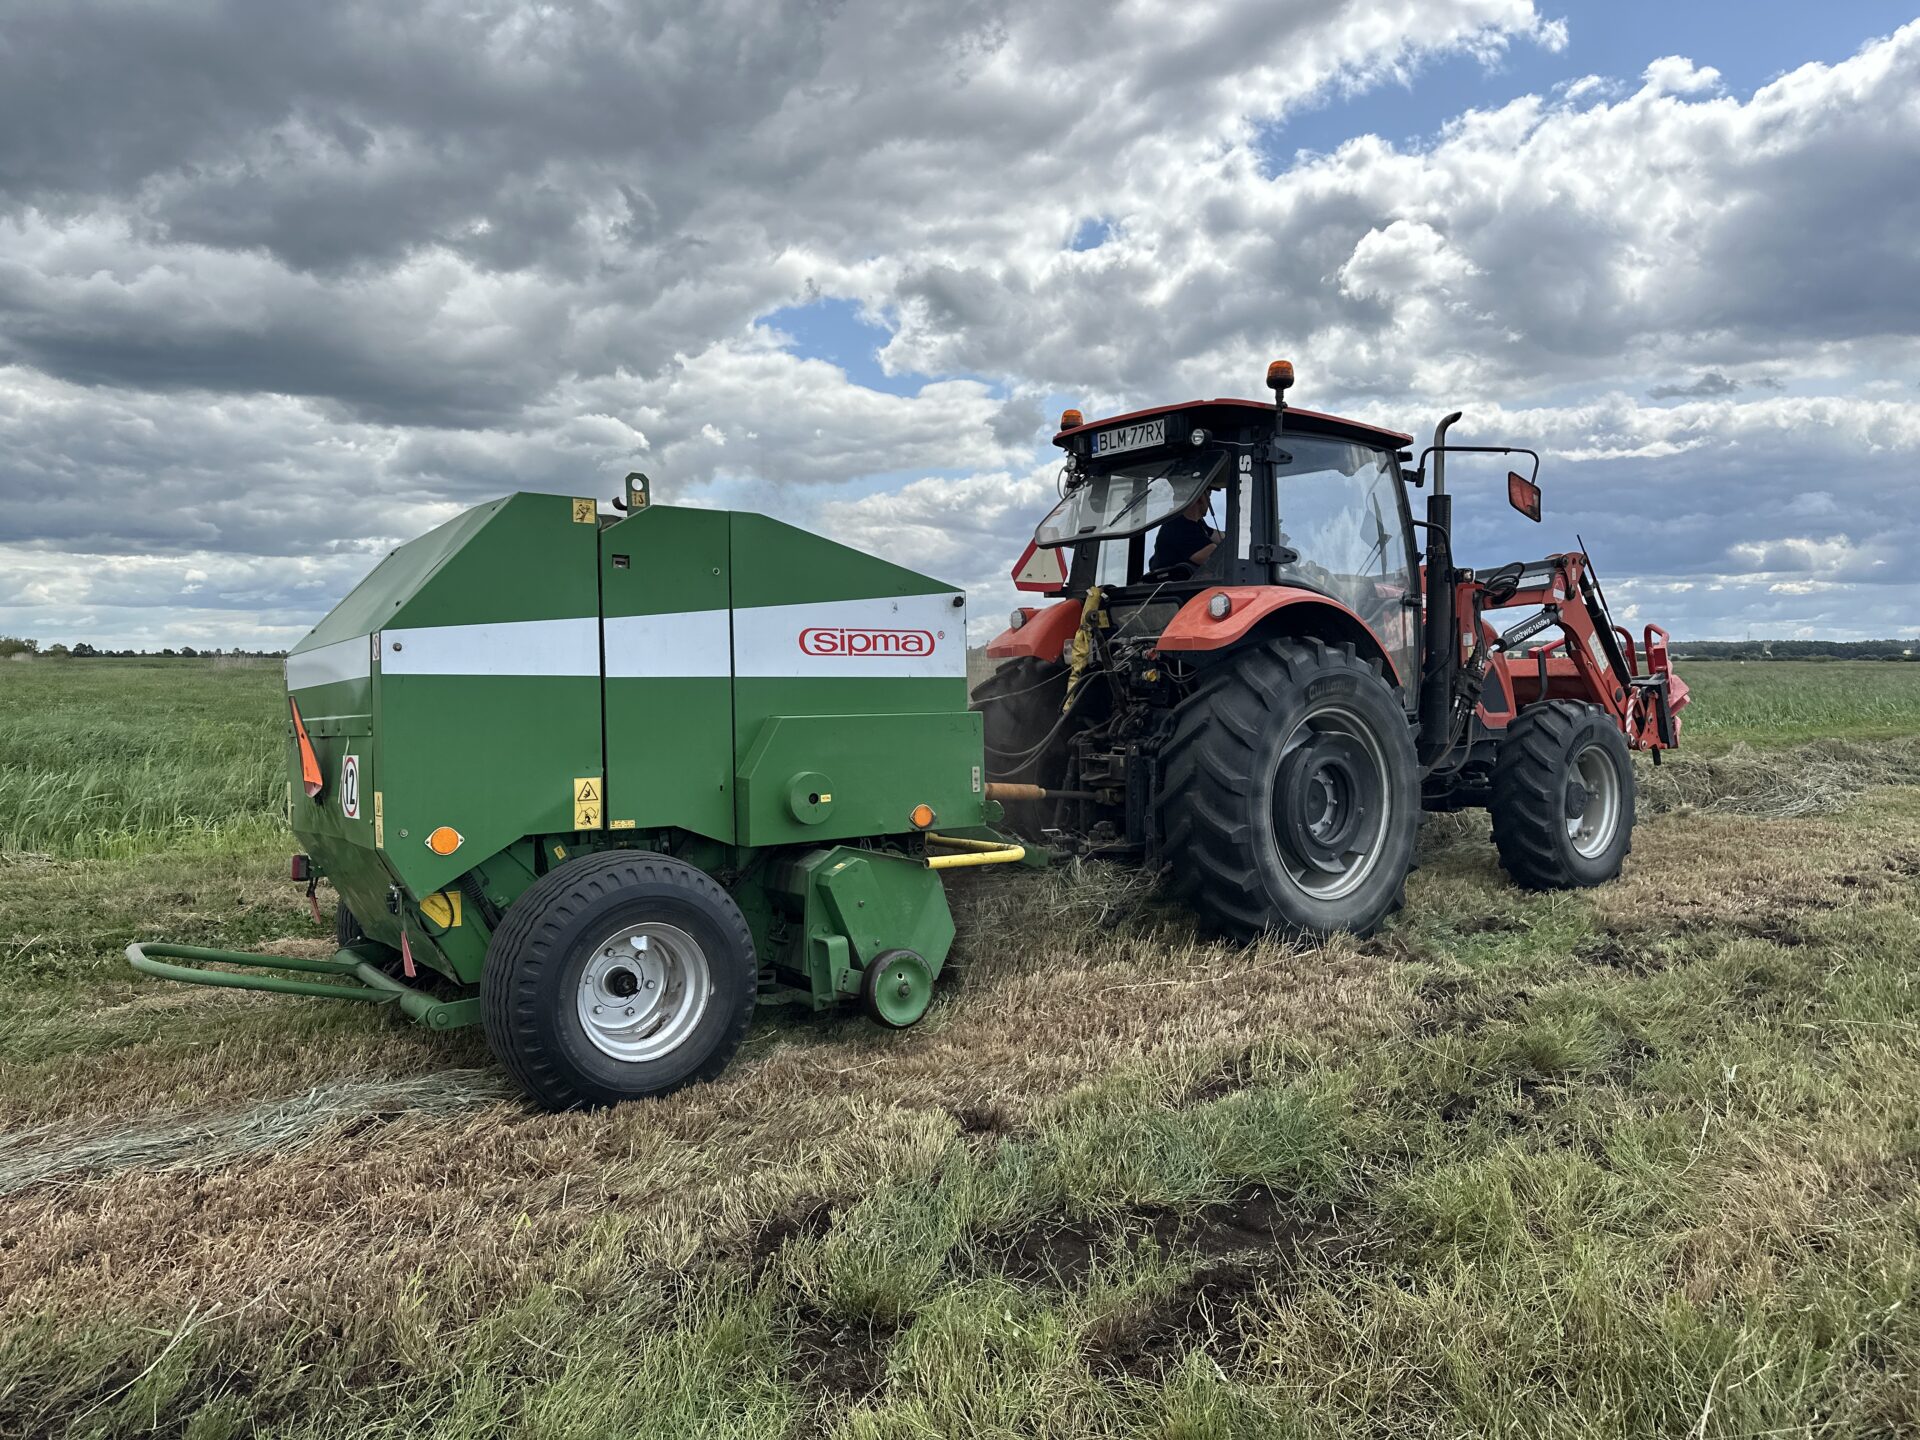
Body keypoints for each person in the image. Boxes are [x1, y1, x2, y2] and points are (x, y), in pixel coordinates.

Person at [1150, 487, 1224, 572]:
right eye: (1209, 495)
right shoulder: (1178, 527)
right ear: (1200, 497)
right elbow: (1217, 559)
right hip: (1175, 583)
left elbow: (1221, 537)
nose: (1210, 501)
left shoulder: (1196, 524)